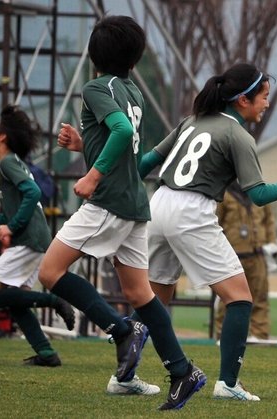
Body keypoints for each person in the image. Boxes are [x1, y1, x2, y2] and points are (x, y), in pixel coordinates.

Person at [42, 15, 203, 409]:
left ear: (94, 54)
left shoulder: (95, 87)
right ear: (134, 57)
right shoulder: (133, 90)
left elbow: (121, 133)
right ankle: (183, 372)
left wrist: (93, 174)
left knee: (49, 272)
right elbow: (124, 142)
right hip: (134, 204)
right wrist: (85, 145)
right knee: (140, 294)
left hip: (108, 202)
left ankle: (119, 330)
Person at [137, 62, 277, 402]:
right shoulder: (238, 134)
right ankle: (228, 385)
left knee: (153, 299)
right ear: (242, 100)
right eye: (263, 96)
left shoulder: (192, 121)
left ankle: (124, 375)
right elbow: (259, 194)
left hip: (158, 203)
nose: (266, 103)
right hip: (192, 210)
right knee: (240, 298)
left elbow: (145, 163)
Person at [0, 105, 76, 366]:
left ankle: (54, 301)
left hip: (28, 240)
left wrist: (11, 229)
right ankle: (46, 353)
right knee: (15, 299)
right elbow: (12, 214)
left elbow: (33, 193)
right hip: (35, 238)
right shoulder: (14, 164)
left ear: (2, 138)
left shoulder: (8, 162)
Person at [214, 181, 277, 342]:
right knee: (227, 297)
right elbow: (216, 222)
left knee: (260, 295)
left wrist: (272, 243)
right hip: (232, 254)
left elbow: (269, 221)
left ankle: (260, 334)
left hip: (258, 253)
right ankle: (223, 333)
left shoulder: (260, 193)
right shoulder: (224, 193)